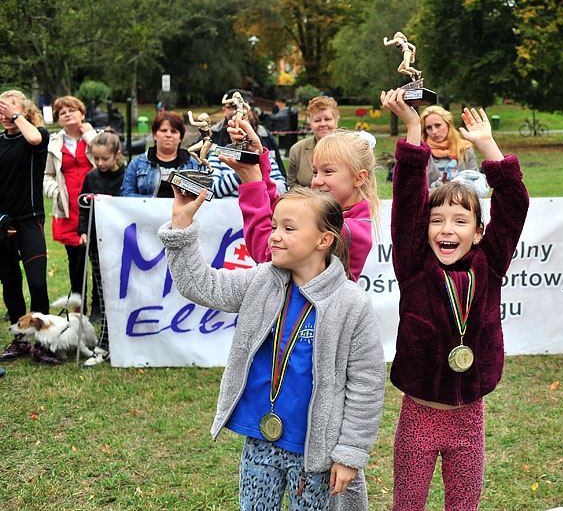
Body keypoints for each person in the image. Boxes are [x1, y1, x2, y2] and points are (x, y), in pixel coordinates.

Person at [159, 186, 386, 510]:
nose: (274, 236)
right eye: (275, 225)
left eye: (288, 228)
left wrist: (350, 454)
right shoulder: (263, 281)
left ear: (324, 240)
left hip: (316, 455)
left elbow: (367, 385)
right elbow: (203, 286)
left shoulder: (351, 304)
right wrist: (181, 226)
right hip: (260, 441)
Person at [380, 89, 529, 510]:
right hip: (418, 416)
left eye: (460, 220)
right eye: (437, 220)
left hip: (469, 417)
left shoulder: (490, 262)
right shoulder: (413, 265)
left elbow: (514, 206)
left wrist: (488, 147)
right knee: (407, 505)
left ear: (478, 231)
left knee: (463, 506)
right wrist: (413, 131)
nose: (447, 229)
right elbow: (407, 204)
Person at [224, 122, 379, 509]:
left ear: (359, 179)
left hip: (315, 371)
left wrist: (252, 182)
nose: (317, 179)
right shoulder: (321, 216)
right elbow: (289, 214)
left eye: (329, 172)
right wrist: (259, 158)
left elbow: (266, 246)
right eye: (315, 170)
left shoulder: (352, 231)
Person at [0, 90, 52, 362]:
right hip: (3, 224)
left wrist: (15, 115)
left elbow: (32, 136)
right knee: (10, 284)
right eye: (2, 109)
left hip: (30, 220)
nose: (5, 113)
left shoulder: (38, 136)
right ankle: (20, 341)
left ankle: (42, 344)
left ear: (25, 111)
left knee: (37, 282)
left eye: (10, 107)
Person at [77, 129, 126, 367]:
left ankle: (122, 339)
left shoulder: (125, 176)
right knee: (104, 293)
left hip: (121, 243)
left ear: (117, 155)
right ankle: (105, 343)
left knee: (121, 292)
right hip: (97, 243)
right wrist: (83, 231)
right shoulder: (91, 177)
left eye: (104, 158)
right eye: (95, 159)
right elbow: (83, 207)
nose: (99, 163)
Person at [43, 95, 98, 298]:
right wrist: (55, 193)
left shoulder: (97, 136)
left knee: (98, 261)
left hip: (94, 208)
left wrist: (90, 136)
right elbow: (47, 175)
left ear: (82, 114)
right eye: (62, 113)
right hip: (68, 209)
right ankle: (78, 306)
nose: (67, 114)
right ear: (58, 119)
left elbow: (108, 159)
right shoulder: (54, 143)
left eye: (72, 110)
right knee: (75, 262)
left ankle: (98, 307)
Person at [207, 108, 288, 199]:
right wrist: (242, 173)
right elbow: (210, 191)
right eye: (235, 127)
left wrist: (251, 173)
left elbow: (282, 189)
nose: (239, 132)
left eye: (244, 128)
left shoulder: (264, 157)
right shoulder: (218, 154)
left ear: (253, 129)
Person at [120, 111, 198, 198]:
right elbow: (126, 194)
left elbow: (204, 196)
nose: (168, 135)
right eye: (163, 130)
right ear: (154, 135)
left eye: (173, 131)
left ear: (180, 137)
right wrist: (155, 203)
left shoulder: (194, 165)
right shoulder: (136, 164)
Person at [419, 105, 479, 189]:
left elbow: (477, 183)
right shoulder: (420, 152)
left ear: (448, 124)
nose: (434, 131)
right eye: (429, 127)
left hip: (463, 200)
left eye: (438, 125)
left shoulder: (465, 149)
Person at [287, 96, 340, 188]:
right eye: (317, 120)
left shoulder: (350, 149)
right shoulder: (297, 150)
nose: (323, 124)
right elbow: (291, 184)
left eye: (327, 119)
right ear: (310, 124)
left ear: (336, 121)